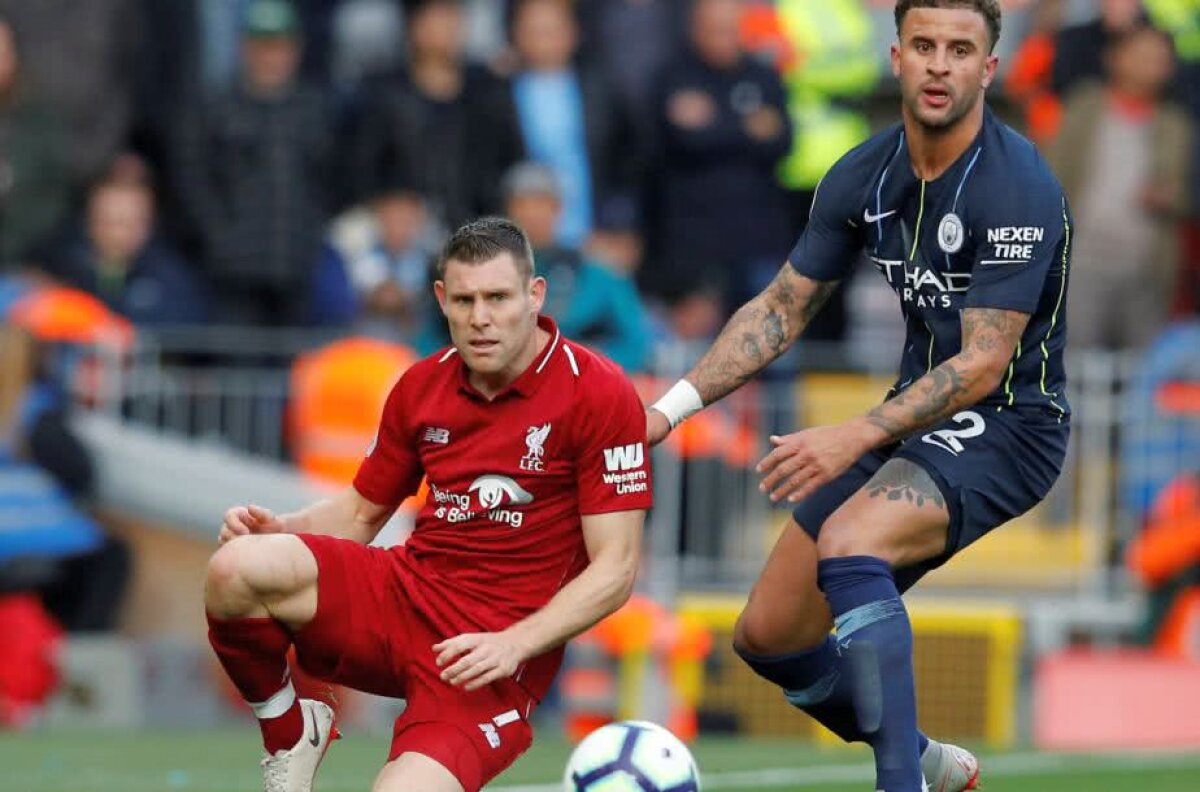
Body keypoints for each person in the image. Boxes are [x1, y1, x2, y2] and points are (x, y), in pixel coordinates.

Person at [646, 2, 1071, 791]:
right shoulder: (861, 173)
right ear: (896, 56)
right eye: (923, 46)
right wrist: (667, 410)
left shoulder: (1019, 187)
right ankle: (926, 761)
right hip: (914, 416)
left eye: (959, 49)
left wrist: (851, 435)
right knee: (769, 635)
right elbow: (780, 309)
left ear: (989, 68)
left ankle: (897, 783)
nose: (939, 64)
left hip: (1013, 425)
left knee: (852, 541)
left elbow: (983, 364)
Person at [204, 217, 652, 792]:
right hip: (405, 600)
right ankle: (291, 733)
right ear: (442, 299)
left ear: (535, 295)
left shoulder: (598, 391)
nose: (480, 318)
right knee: (236, 568)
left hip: (490, 663)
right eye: (464, 300)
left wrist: (515, 643)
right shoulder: (420, 386)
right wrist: (281, 527)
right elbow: (361, 515)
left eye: (498, 298)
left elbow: (615, 570)